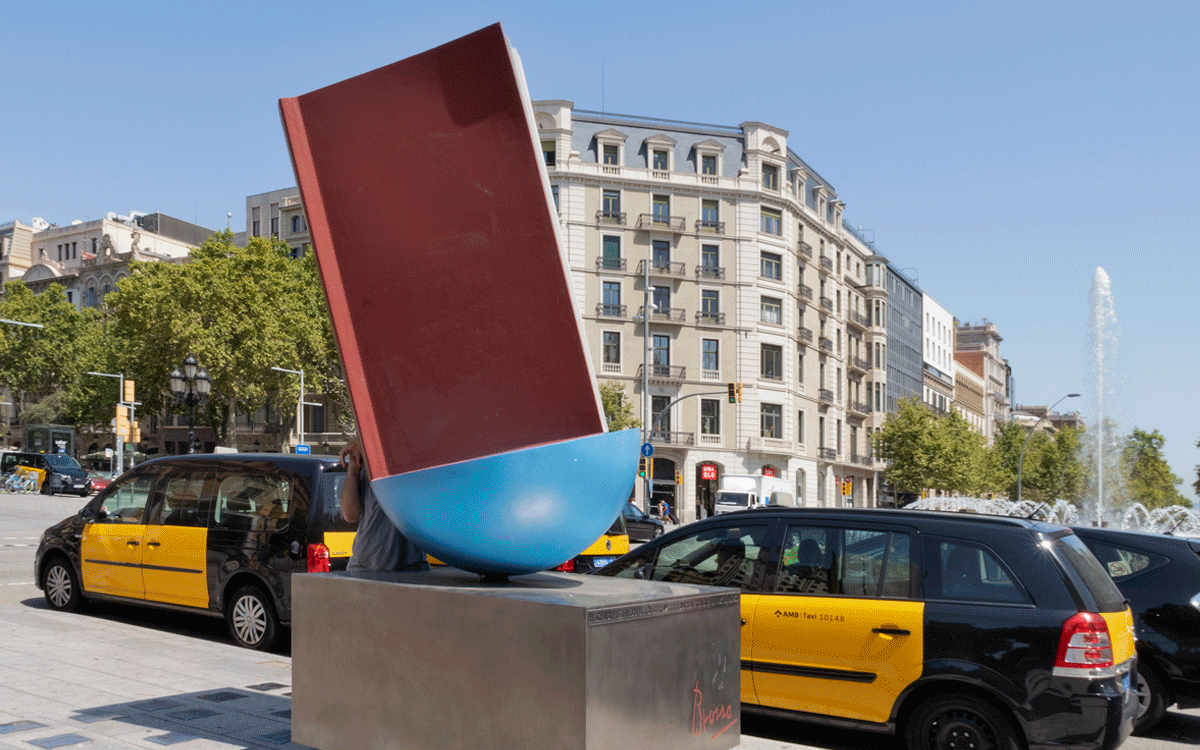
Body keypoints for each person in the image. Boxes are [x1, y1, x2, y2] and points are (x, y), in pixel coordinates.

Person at [340, 434, 429, 573]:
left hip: (410, 568)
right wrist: (353, 469)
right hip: (364, 568)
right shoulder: (367, 465)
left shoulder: (414, 457)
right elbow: (350, 515)